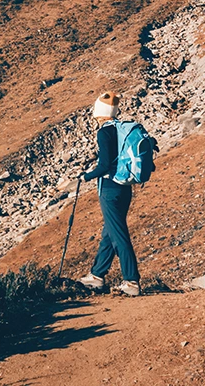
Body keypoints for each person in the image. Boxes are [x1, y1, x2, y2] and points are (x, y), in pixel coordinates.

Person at [77, 92, 141, 296]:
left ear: (99, 112)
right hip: (125, 187)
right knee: (109, 232)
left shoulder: (104, 132)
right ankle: (97, 275)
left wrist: (86, 177)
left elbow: (104, 165)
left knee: (119, 234)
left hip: (110, 189)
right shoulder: (122, 129)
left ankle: (131, 281)